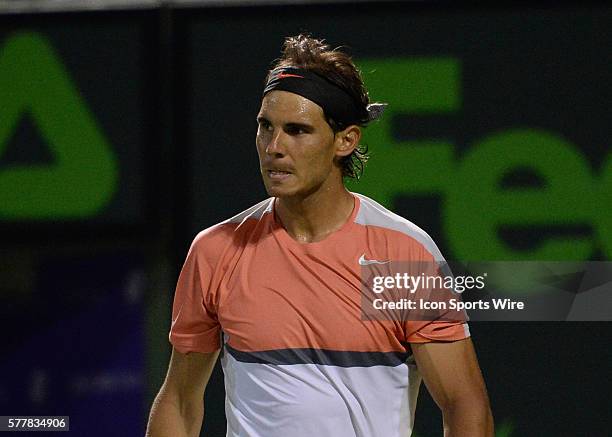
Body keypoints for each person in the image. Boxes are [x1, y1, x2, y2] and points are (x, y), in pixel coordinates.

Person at [146, 34, 493, 437]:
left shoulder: (404, 255)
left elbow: (464, 404)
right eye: (265, 126)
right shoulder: (215, 251)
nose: (274, 147)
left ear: (345, 140)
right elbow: (180, 402)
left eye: (297, 130)